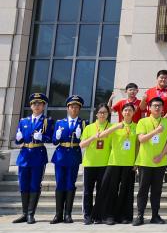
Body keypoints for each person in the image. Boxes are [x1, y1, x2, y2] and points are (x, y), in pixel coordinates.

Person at [133, 96, 167, 225]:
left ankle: (155, 215)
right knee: (143, 190)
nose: (157, 108)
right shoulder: (143, 121)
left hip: (160, 162)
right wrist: (156, 131)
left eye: (159, 106)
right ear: (149, 108)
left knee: (157, 190)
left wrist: (162, 155)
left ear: (163, 108)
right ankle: (140, 215)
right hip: (145, 161)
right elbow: (141, 139)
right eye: (155, 105)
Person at [13, 93, 52, 224]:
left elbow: (50, 138)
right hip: (24, 156)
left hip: (38, 155)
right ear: (30, 106)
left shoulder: (46, 121)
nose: (36, 106)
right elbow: (18, 140)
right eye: (34, 103)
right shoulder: (23, 121)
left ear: (43, 106)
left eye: (39, 103)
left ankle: (30, 214)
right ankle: (24, 213)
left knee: (35, 184)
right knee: (23, 184)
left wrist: (42, 138)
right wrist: (18, 139)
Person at [99, 102, 137, 225]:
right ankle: (109, 216)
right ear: (121, 112)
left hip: (129, 163)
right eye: (125, 110)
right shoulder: (115, 126)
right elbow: (101, 135)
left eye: (130, 110)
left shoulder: (136, 126)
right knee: (112, 189)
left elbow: (137, 145)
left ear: (133, 112)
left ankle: (124, 216)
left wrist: (136, 161)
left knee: (127, 191)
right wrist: (116, 127)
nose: (127, 112)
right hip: (114, 162)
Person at [51, 94, 85, 224]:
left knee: (70, 183)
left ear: (79, 109)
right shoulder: (60, 123)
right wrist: (57, 136)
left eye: (76, 107)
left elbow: (85, 141)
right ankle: (58, 214)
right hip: (60, 155)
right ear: (68, 108)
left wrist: (80, 136)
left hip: (74, 155)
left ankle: (67, 214)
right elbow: (54, 141)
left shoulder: (83, 123)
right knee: (60, 183)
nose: (74, 109)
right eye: (72, 107)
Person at [79, 103, 113, 225]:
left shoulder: (111, 127)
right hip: (90, 163)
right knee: (88, 191)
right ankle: (87, 215)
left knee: (101, 191)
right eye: (100, 112)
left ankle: (98, 215)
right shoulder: (89, 127)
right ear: (96, 114)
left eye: (105, 112)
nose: (102, 115)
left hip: (105, 164)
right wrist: (93, 137)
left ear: (108, 114)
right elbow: (82, 145)